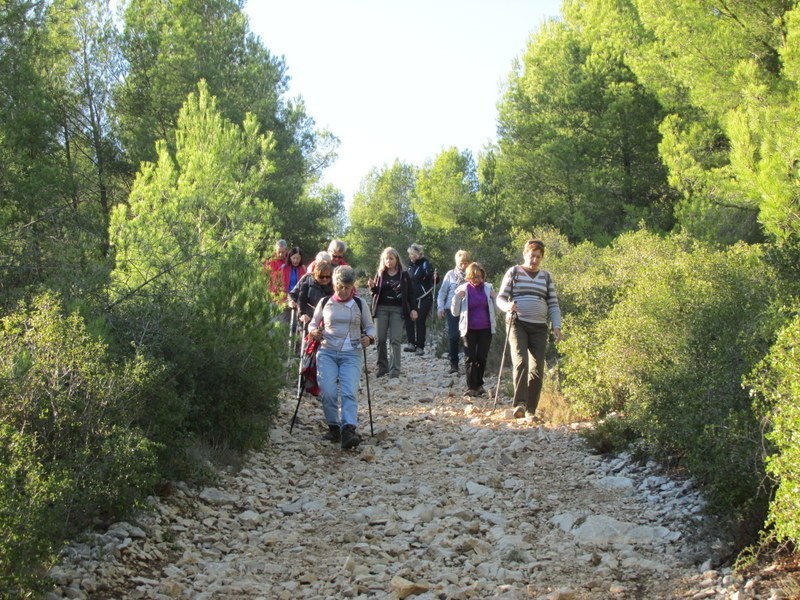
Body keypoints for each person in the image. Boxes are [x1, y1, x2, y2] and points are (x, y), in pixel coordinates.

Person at [309, 266, 375, 449]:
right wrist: (313, 331)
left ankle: (348, 429)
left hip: (352, 353)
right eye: (339, 287)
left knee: (349, 391)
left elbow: (370, 327)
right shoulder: (324, 302)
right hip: (327, 351)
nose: (343, 291)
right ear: (334, 284)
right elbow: (313, 323)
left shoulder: (360, 304)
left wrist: (368, 338)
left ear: (352, 286)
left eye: (347, 287)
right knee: (328, 392)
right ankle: (333, 427)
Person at [496, 239, 562, 420]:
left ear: (542, 258)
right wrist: (507, 306)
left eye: (538, 257)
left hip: (540, 327)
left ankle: (531, 409)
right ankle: (520, 405)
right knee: (521, 362)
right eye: (532, 256)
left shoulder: (546, 277)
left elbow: (553, 304)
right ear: (525, 254)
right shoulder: (514, 272)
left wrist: (557, 326)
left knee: (537, 368)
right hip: (517, 322)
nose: (534, 260)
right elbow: (500, 297)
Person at [368, 247, 417, 379]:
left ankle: (395, 369)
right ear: (382, 260)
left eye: (391, 258)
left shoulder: (404, 274)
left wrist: (413, 309)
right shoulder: (380, 274)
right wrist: (372, 287)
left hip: (398, 310)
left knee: (395, 340)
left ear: (396, 259)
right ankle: (382, 367)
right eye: (386, 259)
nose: (388, 261)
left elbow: (411, 293)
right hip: (381, 309)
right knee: (380, 339)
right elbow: (375, 293)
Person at [451, 262, 497, 397]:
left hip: (486, 328)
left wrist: (495, 298)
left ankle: (479, 384)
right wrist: (457, 298)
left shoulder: (489, 289)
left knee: (481, 357)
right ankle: (471, 387)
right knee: (470, 358)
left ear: (483, 276)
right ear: (468, 277)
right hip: (468, 329)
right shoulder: (463, 289)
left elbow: (497, 311)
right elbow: (455, 312)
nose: (475, 280)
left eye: (478, 277)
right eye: (472, 277)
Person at [437, 250, 470, 374]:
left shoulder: (471, 275)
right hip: (451, 308)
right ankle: (454, 364)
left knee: (466, 336)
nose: (464, 266)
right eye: (461, 263)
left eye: (466, 263)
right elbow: (442, 292)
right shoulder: (450, 274)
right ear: (457, 262)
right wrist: (440, 308)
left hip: (467, 309)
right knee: (454, 335)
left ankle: (469, 364)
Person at [404, 243, 436, 356]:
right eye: (410, 254)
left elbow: (431, 277)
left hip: (424, 296)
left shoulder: (425, 263)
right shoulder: (410, 266)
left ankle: (420, 346)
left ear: (419, 253)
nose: (411, 256)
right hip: (411, 297)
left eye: (413, 254)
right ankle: (411, 343)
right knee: (408, 318)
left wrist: (434, 276)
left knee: (420, 320)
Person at [289, 260, 334, 329]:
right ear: (316, 274)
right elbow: (301, 299)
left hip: (326, 321)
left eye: (327, 277)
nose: (325, 279)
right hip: (308, 319)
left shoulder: (333, 285)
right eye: (321, 277)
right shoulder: (308, 281)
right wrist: (302, 314)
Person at [282, 247, 306, 324]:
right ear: (290, 257)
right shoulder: (284, 268)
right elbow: (280, 285)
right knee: (284, 322)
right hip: (285, 298)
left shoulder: (303, 268)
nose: (295, 260)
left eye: (298, 258)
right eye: (294, 258)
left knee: (296, 324)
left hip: (298, 299)